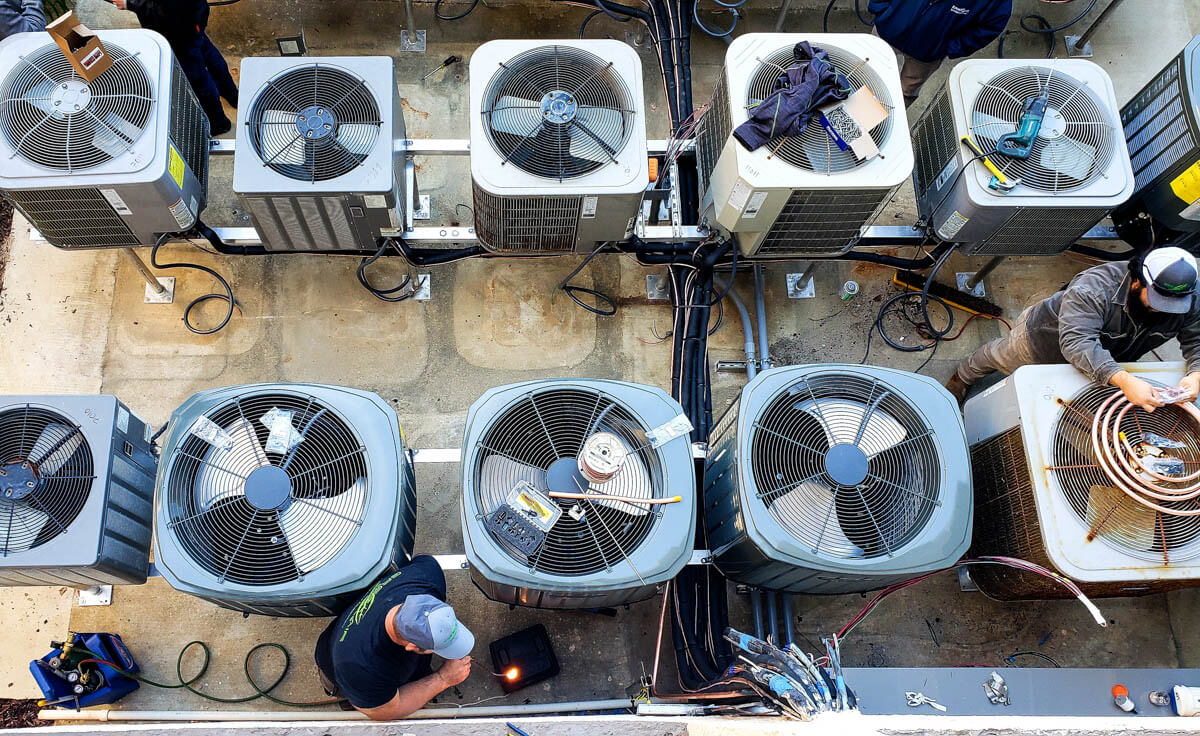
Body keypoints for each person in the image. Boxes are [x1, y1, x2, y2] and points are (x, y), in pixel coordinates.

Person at [946, 247, 1200, 411]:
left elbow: (1196, 339)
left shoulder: (1190, 298)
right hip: (1043, 340)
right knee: (1000, 356)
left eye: (1174, 305)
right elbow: (1077, 342)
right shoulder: (1094, 288)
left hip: (1107, 359)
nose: (1166, 310)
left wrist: (1196, 374)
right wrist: (1123, 379)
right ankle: (963, 375)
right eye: (1158, 302)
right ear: (1137, 282)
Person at [314, 555, 474, 721]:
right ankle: (353, 701)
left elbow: (422, 559)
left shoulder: (427, 575)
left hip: (359, 645)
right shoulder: (360, 669)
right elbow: (385, 712)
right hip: (335, 667)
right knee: (368, 701)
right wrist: (443, 678)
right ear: (411, 646)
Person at [112, 0, 237, 135]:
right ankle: (232, 95)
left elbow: (167, 10)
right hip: (192, 19)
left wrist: (129, 3)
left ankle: (219, 123)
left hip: (177, 33)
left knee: (199, 80)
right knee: (208, 53)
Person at [868, 0, 1012, 106]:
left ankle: (888, 115)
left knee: (907, 89)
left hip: (927, 53)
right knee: (869, 70)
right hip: (888, 30)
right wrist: (881, 10)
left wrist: (948, 47)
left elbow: (991, 25)